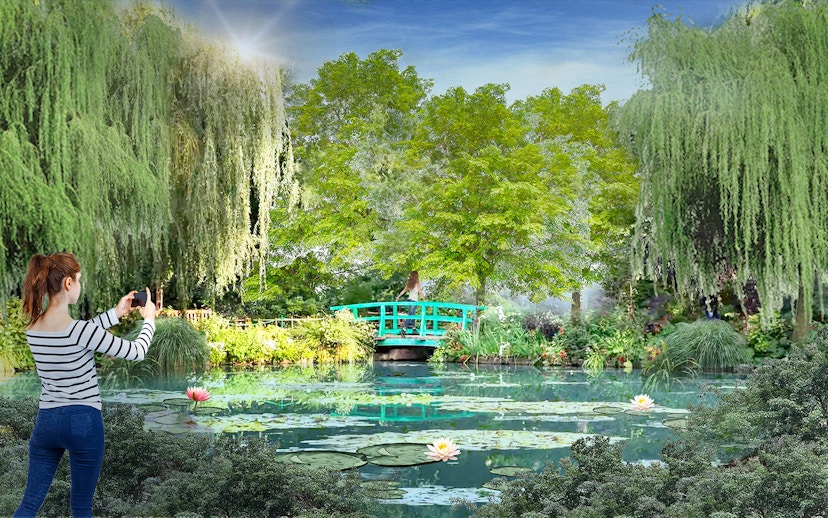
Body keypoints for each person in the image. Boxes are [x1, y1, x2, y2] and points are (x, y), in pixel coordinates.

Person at [14, 252, 156, 518]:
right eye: (78, 280)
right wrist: (149, 319)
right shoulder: (81, 331)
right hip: (83, 420)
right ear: (68, 283)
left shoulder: (33, 329)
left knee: (29, 505)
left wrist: (116, 313)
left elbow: (79, 334)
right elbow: (137, 351)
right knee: (80, 508)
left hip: (47, 421)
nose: (79, 285)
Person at [395, 270, 425, 337]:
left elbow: (404, 291)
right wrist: (424, 299)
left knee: (412, 314)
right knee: (411, 315)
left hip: (409, 300)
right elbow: (420, 291)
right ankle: (404, 329)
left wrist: (398, 297)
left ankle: (414, 329)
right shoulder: (417, 282)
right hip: (414, 301)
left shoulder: (410, 283)